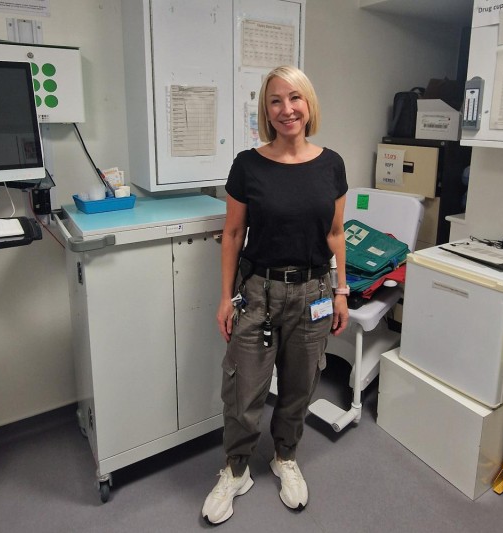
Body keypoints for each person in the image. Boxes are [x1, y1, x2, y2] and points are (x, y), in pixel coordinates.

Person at [202, 65, 350, 525]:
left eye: (294, 98)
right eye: (275, 101)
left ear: (309, 103)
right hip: (258, 293)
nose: (287, 109)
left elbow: (336, 231)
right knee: (244, 390)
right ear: (266, 111)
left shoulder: (332, 164)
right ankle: (236, 468)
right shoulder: (248, 165)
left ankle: (285, 456)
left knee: (299, 387)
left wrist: (341, 290)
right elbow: (231, 234)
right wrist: (225, 297)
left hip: (314, 293)